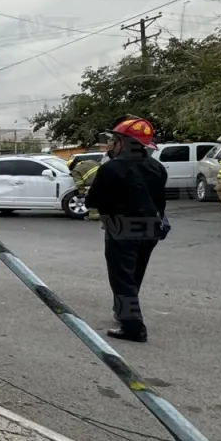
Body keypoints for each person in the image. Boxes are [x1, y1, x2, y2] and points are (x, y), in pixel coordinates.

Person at [85, 117, 167, 343]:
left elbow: (92, 201)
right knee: (134, 276)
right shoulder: (157, 167)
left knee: (122, 278)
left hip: (121, 228)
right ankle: (123, 312)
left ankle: (133, 327)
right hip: (150, 229)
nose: (110, 144)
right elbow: (160, 202)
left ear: (123, 142)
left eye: (113, 140)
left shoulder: (111, 168)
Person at [71, 156, 101, 221]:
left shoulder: (75, 170)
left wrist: (82, 192)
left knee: (91, 199)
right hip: (107, 181)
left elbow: (79, 183)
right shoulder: (91, 161)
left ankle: (94, 216)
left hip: (95, 185)